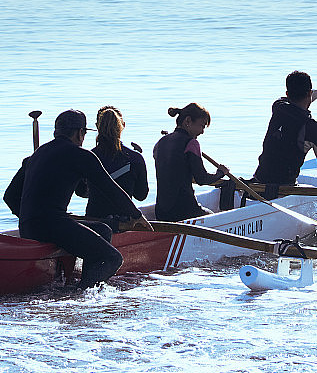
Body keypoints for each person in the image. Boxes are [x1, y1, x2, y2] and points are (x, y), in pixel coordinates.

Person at [18, 109, 153, 289]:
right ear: (80, 133)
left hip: (27, 227)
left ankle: (85, 281)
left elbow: (10, 196)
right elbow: (110, 188)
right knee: (112, 258)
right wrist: (136, 215)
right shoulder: (80, 155)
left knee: (103, 230)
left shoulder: (37, 154)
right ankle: (81, 294)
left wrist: (30, 217)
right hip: (51, 227)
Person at [253, 71, 317, 187]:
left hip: (258, 181)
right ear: (309, 92)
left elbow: (303, 100)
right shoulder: (313, 128)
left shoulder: (278, 106)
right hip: (284, 189)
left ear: (287, 94)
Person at [153, 103, 228, 222]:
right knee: (212, 216)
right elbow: (202, 179)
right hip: (186, 212)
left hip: (162, 212)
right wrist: (220, 173)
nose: (202, 132)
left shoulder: (160, 143)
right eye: (201, 126)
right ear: (188, 121)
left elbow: (173, 170)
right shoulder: (192, 143)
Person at [75, 106, 149, 218]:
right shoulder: (135, 158)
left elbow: (80, 191)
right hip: (124, 221)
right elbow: (141, 195)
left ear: (97, 126)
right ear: (123, 126)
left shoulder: (88, 157)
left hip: (94, 219)